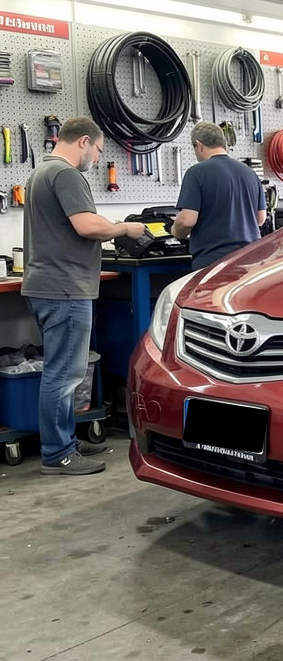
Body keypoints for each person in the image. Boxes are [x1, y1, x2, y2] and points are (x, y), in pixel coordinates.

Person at [21, 117, 148, 475]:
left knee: (60, 370)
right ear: (83, 142)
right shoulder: (66, 174)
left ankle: (64, 441)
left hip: (48, 285)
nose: (97, 156)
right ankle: (57, 453)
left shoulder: (42, 173)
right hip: (64, 288)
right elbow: (87, 225)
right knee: (64, 374)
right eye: (98, 149)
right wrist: (125, 227)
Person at [171, 122, 267, 270]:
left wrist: (175, 230)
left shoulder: (196, 173)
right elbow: (260, 219)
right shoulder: (250, 173)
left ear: (198, 144)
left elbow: (186, 221)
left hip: (213, 264)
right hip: (250, 261)